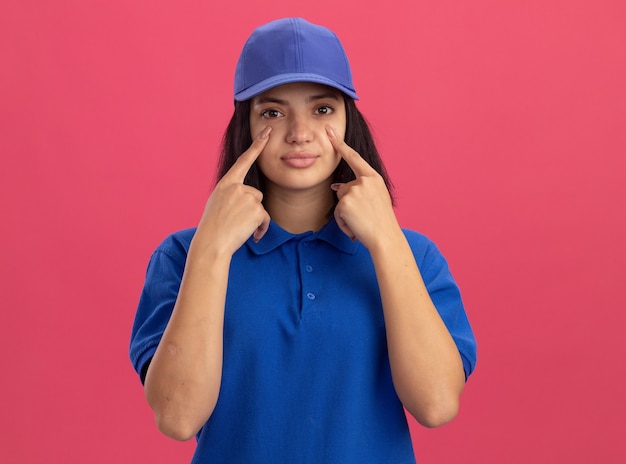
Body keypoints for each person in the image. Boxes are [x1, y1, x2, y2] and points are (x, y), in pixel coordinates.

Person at [129, 17, 477, 463]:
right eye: (272, 112)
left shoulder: (416, 256)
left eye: (323, 109)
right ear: (245, 127)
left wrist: (386, 241)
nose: (299, 133)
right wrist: (213, 249)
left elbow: (437, 404)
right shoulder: (181, 256)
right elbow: (177, 418)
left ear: (350, 121)